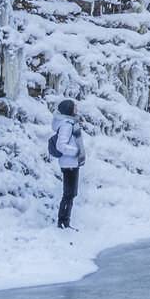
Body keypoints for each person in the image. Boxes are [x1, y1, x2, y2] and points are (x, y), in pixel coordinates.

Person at [52, 98, 85, 229]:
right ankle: (63, 222)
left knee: (71, 193)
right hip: (69, 163)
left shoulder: (71, 122)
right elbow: (61, 145)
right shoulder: (67, 125)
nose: (76, 107)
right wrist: (77, 151)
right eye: (74, 105)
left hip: (72, 163)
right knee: (69, 194)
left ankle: (65, 221)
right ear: (69, 110)